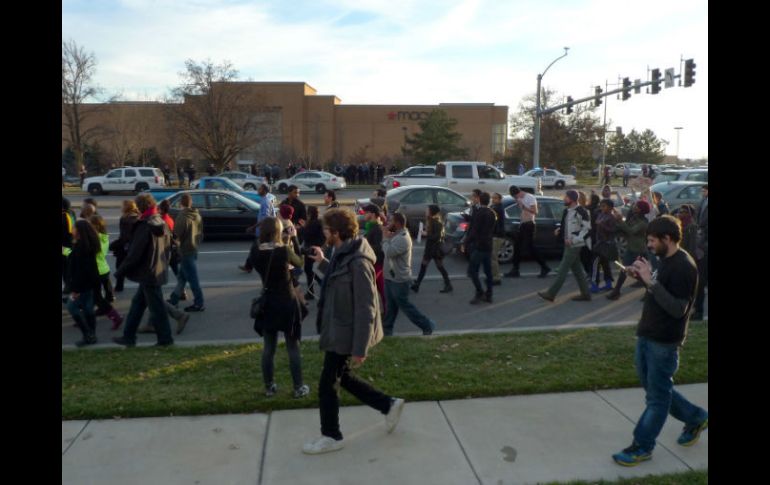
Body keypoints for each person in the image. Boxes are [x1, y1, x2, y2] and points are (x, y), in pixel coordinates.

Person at [303, 208, 405, 455]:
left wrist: (360, 348)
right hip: (339, 328)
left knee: (327, 385)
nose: (323, 233)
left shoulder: (359, 262)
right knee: (342, 378)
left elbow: (367, 307)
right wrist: (322, 262)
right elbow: (339, 278)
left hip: (346, 334)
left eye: (326, 230)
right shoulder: (342, 251)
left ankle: (332, 436)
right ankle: (388, 405)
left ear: (336, 232)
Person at [611, 215, 708, 467]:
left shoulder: (684, 266)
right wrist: (641, 276)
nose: (649, 245)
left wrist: (651, 282)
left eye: (653, 240)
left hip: (664, 341)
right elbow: (657, 290)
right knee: (657, 390)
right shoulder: (664, 259)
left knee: (656, 398)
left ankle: (642, 446)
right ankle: (696, 417)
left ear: (667, 239)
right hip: (647, 332)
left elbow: (678, 308)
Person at [249, 217, 310, 398]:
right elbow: (300, 263)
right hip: (287, 302)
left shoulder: (255, 250)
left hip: (268, 302)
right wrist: (295, 240)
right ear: (278, 231)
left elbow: (258, 259)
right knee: (293, 347)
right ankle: (298, 387)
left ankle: (269, 387)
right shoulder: (283, 251)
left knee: (269, 348)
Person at [112, 193, 175, 347]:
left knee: (157, 308)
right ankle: (129, 336)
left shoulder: (144, 225)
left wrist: (120, 271)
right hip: (156, 270)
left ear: (140, 207)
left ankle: (165, 339)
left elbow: (134, 254)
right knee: (138, 303)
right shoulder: (160, 221)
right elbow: (169, 246)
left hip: (147, 272)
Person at [382, 213, 436, 335]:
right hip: (390, 277)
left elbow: (389, 252)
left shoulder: (403, 238)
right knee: (391, 306)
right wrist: (387, 237)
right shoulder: (397, 235)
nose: (388, 223)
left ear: (397, 223)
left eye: (391, 221)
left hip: (399, 280)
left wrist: (385, 238)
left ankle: (427, 325)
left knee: (405, 307)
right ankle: (387, 330)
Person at [537, 190, 592, 302]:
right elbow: (568, 226)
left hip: (575, 245)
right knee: (577, 271)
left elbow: (587, 230)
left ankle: (551, 294)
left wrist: (574, 240)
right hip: (569, 244)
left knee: (562, 270)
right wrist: (560, 231)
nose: (563, 199)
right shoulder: (568, 211)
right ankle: (586, 294)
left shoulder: (582, 211)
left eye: (565, 197)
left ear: (571, 199)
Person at [66, 219, 102, 347]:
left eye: (74, 228)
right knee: (88, 310)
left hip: (83, 285)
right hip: (91, 284)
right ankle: (91, 335)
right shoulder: (86, 245)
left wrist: (75, 290)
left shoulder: (81, 249)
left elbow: (80, 272)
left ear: (79, 232)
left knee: (72, 307)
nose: (72, 230)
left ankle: (88, 334)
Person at [168, 193, 205, 312]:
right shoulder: (197, 215)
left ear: (181, 203)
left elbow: (177, 235)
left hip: (185, 251)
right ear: (191, 202)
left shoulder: (182, 217)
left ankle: (199, 303)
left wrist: (172, 242)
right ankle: (174, 300)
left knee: (193, 279)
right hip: (193, 248)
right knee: (182, 278)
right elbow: (201, 233)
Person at [607, 200, 651, 300]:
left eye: (637, 206)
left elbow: (631, 231)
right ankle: (616, 291)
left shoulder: (643, 222)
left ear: (642, 210)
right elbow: (624, 227)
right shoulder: (634, 218)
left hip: (639, 250)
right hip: (631, 248)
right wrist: (616, 220)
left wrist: (620, 220)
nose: (634, 207)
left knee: (636, 272)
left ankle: (650, 290)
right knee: (625, 269)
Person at [506, 186, 551, 278]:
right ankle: (515, 270)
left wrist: (523, 206)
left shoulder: (529, 197)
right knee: (517, 246)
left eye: (516, 197)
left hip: (529, 224)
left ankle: (544, 267)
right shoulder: (519, 198)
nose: (516, 199)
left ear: (518, 193)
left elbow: (535, 211)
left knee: (530, 247)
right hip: (523, 224)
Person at [89, 215, 124, 330]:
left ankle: (115, 316)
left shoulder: (95, 238)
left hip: (96, 270)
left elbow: (88, 254)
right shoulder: (104, 236)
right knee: (94, 295)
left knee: (96, 297)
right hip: (103, 268)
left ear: (95, 225)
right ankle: (87, 315)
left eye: (90, 224)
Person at [411, 205, 453, 294]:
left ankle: (448, 285)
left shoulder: (437, 222)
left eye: (427, 210)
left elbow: (437, 237)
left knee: (437, 267)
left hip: (434, 250)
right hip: (431, 249)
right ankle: (417, 285)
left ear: (431, 212)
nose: (426, 211)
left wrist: (426, 234)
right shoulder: (430, 221)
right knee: (426, 266)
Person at [466, 192, 496, 304]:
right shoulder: (492, 213)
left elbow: (474, 230)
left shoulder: (479, 213)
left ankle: (479, 292)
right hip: (489, 245)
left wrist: (466, 242)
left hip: (479, 245)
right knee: (488, 272)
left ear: (480, 200)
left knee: (472, 271)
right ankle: (489, 294)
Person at [239, 184, 278, 273]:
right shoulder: (264, 200)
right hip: (263, 231)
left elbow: (265, 219)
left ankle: (251, 266)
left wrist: (253, 227)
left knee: (257, 249)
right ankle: (249, 266)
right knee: (257, 249)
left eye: (260, 189)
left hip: (264, 231)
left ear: (264, 191)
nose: (258, 190)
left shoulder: (265, 202)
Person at [589, 199, 617, 293]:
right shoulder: (601, 214)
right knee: (605, 264)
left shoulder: (611, 217)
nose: (602, 208)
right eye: (601, 206)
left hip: (604, 244)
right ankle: (608, 284)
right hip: (599, 242)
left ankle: (594, 285)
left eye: (604, 206)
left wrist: (602, 225)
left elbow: (613, 231)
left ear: (610, 208)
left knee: (595, 263)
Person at [112, 200, 140, 292]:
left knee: (120, 266)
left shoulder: (125, 219)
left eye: (122, 206)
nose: (121, 207)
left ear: (126, 208)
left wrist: (114, 245)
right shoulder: (137, 216)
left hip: (125, 247)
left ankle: (119, 287)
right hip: (134, 246)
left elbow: (124, 236)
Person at [362, 205, 386, 310]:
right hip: (372, 262)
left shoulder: (377, 228)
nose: (364, 215)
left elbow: (379, 247)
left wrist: (364, 245)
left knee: (380, 288)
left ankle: (387, 311)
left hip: (377, 263)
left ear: (372, 214)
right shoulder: (371, 226)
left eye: (366, 212)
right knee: (378, 288)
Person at [302, 206, 325, 300]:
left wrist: (303, 227)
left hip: (311, 248)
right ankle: (314, 288)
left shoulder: (312, 224)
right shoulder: (319, 222)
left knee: (308, 269)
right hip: (317, 247)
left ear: (310, 214)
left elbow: (306, 236)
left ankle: (313, 290)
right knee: (310, 270)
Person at [692, 185, 708, 320]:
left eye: (704, 190)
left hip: (704, 245)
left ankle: (698, 311)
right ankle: (698, 310)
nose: (703, 193)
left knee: (701, 280)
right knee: (701, 281)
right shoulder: (703, 201)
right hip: (702, 245)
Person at [62, 197, 76, 294]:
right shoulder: (71, 213)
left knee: (66, 268)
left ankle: (69, 288)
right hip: (69, 245)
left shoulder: (65, 216)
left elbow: (67, 233)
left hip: (65, 246)